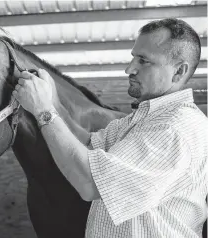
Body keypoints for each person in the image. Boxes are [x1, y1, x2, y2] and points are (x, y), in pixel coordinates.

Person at [12, 18, 208, 237]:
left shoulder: (173, 129)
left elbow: (90, 184)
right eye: (133, 57)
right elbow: (86, 141)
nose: (129, 69)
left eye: (144, 61)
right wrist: (52, 98)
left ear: (179, 72)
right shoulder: (144, 120)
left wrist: (43, 110)